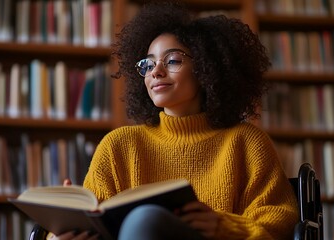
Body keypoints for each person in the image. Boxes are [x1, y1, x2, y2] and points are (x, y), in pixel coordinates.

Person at [52, 1, 299, 239]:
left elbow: (280, 222)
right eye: (147, 65)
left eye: (172, 61)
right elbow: (96, 222)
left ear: (206, 69)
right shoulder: (118, 145)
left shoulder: (247, 142)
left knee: (146, 219)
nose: (156, 72)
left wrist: (223, 227)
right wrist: (62, 233)